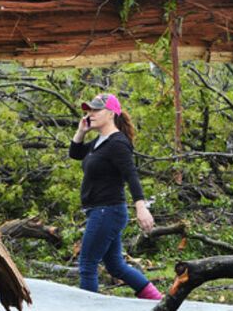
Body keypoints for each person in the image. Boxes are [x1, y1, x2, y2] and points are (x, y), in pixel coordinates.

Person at [69, 93, 163, 300]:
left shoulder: (117, 142)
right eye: (88, 110)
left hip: (107, 211)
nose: (90, 114)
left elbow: (131, 175)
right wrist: (80, 131)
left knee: (87, 264)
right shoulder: (99, 142)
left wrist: (141, 206)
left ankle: (87, 307)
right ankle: (158, 300)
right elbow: (75, 154)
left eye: (96, 110)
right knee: (115, 265)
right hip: (102, 211)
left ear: (111, 113)